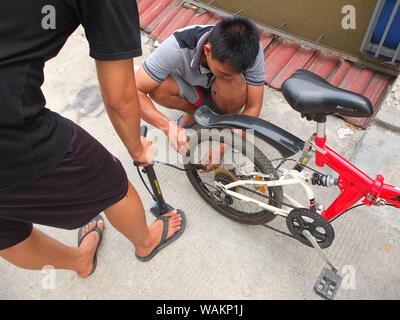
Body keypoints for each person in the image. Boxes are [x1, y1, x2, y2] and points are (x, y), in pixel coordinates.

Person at [0, 0, 184, 278]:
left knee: (6, 232)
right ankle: (146, 242)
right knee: (110, 182)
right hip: (11, 135)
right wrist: (137, 147)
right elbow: (121, 98)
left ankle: (80, 261)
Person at [135, 16, 265, 165]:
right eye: (224, 72)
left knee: (233, 82)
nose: (229, 75)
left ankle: (229, 121)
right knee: (158, 87)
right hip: (195, 90)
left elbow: (253, 106)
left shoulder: (251, 50)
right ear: (207, 50)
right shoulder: (177, 46)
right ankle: (195, 114)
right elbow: (134, 91)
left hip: (226, 96)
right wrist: (168, 127)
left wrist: (226, 145)